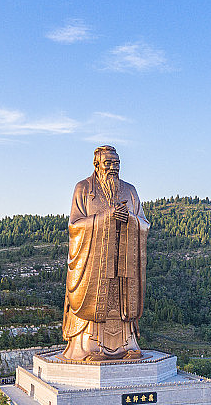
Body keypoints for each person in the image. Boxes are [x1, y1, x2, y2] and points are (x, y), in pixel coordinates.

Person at [61, 145, 149, 361]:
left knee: (122, 302)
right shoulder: (83, 188)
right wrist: (107, 217)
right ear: (97, 164)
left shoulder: (130, 190)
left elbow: (144, 223)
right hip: (95, 263)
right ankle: (88, 347)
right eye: (108, 163)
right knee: (96, 301)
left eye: (117, 164)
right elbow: (75, 225)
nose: (113, 168)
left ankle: (127, 344)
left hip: (123, 260)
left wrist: (129, 219)